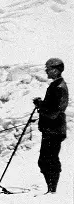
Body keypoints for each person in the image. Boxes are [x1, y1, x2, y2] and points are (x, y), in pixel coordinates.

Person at [33, 58, 68, 194]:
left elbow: (54, 112)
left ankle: (52, 190)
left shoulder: (59, 88)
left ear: (55, 69)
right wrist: (42, 105)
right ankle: (51, 189)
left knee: (49, 160)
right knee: (46, 160)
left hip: (54, 129)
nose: (46, 71)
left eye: (48, 68)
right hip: (51, 129)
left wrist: (41, 107)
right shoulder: (56, 85)